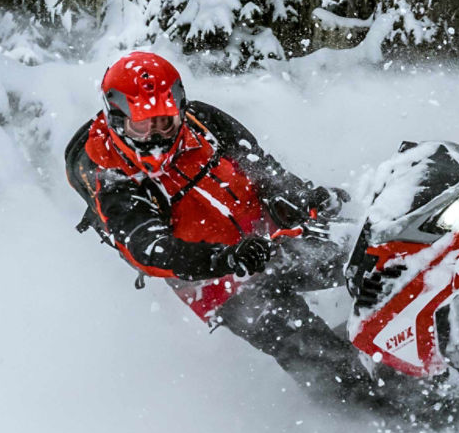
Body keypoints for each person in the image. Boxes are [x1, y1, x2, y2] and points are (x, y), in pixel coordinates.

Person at [64, 51, 389, 409]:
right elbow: (148, 248)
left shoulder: (203, 122)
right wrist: (225, 260)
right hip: (220, 285)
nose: (156, 137)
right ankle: (369, 421)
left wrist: (299, 199)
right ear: (117, 119)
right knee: (310, 349)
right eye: (142, 127)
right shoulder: (110, 174)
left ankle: (409, 349)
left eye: (166, 123)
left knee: (377, 261)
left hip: (273, 240)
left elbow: (261, 167)